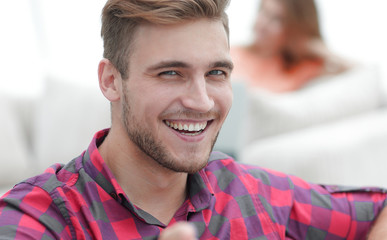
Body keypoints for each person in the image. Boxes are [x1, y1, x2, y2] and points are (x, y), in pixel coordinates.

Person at [0, 0, 386, 239]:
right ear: (111, 80)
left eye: (217, 73)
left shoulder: (252, 191)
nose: (202, 102)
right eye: (171, 73)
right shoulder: (38, 217)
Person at [231, 0, 351, 92]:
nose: (263, 24)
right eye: (263, 11)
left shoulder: (302, 69)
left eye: (277, 19)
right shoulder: (232, 53)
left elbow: (361, 76)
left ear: (295, 27)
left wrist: (313, 46)